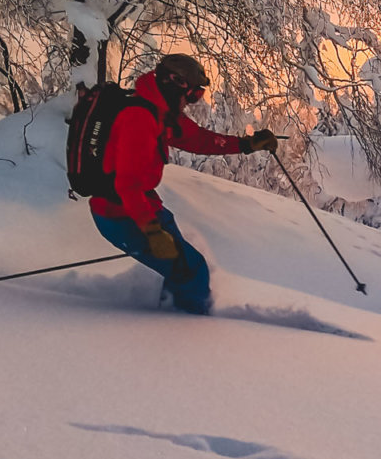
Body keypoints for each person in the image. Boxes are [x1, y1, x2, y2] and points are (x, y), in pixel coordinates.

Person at [89, 53, 276, 314]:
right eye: (193, 94)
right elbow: (127, 184)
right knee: (192, 270)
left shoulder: (161, 112)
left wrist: (246, 145)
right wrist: (151, 232)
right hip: (119, 213)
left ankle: (171, 311)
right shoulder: (139, 118)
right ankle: (184, 331)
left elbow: (198, 140)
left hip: (143, 205)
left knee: (181, 266)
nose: (192, 102)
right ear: (174, 84)